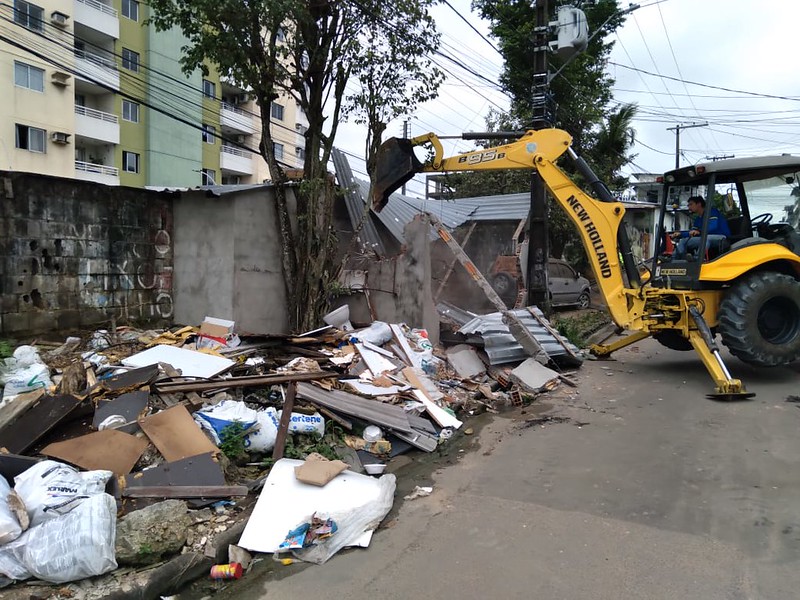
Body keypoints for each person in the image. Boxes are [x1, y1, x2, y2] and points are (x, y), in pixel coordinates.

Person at [670, 195, 731, 260]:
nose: (689, 207)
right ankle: (674, 259)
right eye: (688, 205)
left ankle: (697, 258)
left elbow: (713, 227)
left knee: (705, 238)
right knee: (683, 241)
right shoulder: (698, 219)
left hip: (721, 237)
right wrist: (680, 234)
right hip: (705, 238)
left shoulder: (712, 212)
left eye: (691, 204)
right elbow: (692, 232)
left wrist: (699, 231)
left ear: (699, 204)